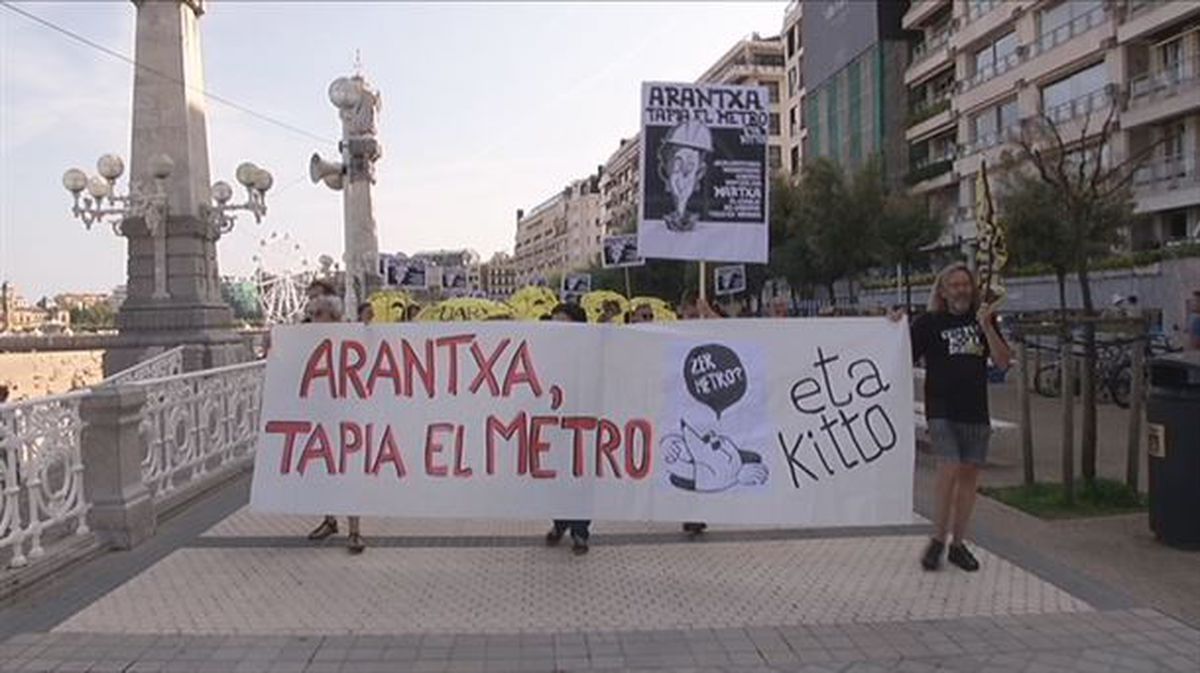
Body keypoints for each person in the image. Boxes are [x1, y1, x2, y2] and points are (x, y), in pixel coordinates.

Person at [907, 263, 1011, 572]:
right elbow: (900, 352)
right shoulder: (928, 323)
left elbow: (1003, 362)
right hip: (941, 409)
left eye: (966, 284)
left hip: (975, 410)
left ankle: (958, 543)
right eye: (954, 285)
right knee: (948, 468)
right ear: (942, 291)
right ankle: (938, 538)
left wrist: (988, 326)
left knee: (968, 479)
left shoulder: (984, 320)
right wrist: (893, 323)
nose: (961, 290)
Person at [304, 294, 367, 555]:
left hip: (347, 417)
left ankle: (355, 531)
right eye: (312, 313)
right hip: (320, 416)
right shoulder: (305, 340)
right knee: (324, 470)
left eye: (318, 314)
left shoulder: (351, 338)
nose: (313, 318)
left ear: (333, 316)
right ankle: (330, 520)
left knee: (348, 475)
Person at [544, 302, 593, 555]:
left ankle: (580, 531)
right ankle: (560, 522)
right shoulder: (547, 352)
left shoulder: (592, 352)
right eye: (554, 323)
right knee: (557, 476)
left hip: (584, 422)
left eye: (562, 322)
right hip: (554, 423)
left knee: (580, 477)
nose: (557, 328)